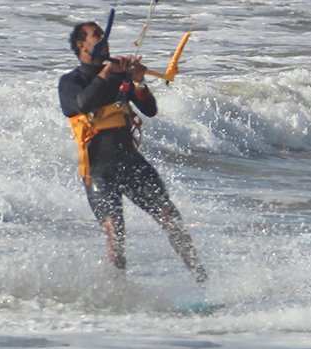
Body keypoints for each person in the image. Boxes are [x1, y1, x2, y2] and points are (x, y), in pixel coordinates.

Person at [59, 21, 207, 283]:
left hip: (130, 163)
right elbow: (80, 105)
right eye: (97, 36)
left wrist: (138, 81)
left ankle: (202, 279)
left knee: (170, 216)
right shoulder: (72, 81)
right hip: (98, 171)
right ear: (82, 45)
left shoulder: (119, 77)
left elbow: (149, 109)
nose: (104, 39)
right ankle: (118, 292)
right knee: (115, 234)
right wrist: (107, 73)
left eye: (104, 35)